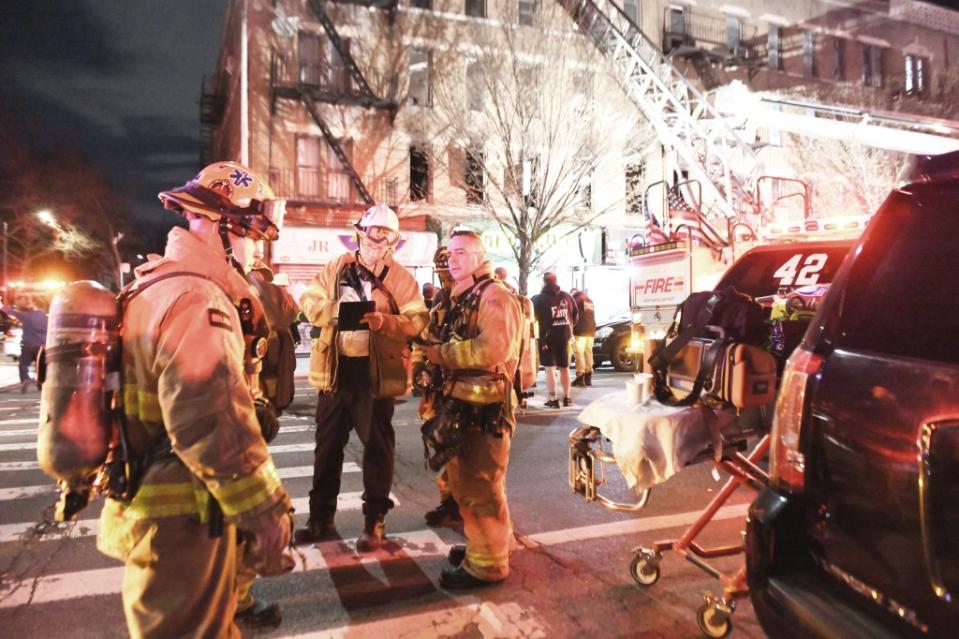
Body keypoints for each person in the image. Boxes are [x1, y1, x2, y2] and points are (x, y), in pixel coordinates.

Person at [95, 161, 294, 638]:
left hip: (161, 508)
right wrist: (266, 513)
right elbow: (211, 423)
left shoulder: (158, 283)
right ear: (223, 226)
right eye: (251, 233)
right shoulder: (197, 298)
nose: (253, 248)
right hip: (181, 519)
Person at [295, 204, 428, 551]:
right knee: (326, 450)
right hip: (337, 373)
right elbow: (309, 299)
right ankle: (320, 518)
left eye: (386, 237)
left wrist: (388, 324)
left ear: (393, 243)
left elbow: (417, 319)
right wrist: (334, 313)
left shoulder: (401, 278)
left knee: (377, 450)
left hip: (375, 373)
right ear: (360, 233)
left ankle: (374, 523)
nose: (377, 242)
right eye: (372, 233)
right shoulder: (336, 267)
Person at [421, 228, 522, 590]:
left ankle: (488, 566)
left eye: (462, 252)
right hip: (463, 406)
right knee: (467, 485)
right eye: (450, 252)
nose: (453, 258)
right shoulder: (460, 296)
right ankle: (486, 548)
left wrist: (441, 355)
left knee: (480, 486)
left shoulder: (494, 296)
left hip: (485, 410)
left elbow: (491, 350)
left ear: (481, 257)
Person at [234, 241, 300, 628]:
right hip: (217, 441)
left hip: (240, 422)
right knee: (244, 522)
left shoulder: (233, 288)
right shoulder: (204, 290)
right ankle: (227, 607)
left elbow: (285, 313)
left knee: (237, 528)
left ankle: (238, 602)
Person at [416, 246, 463, 529]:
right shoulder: (439, 305)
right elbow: (424, 343)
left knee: (467, 456)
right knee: (443, 449)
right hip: (441, 390)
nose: (447, 283)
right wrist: (422, 380)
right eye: (443, 277)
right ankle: (450, 502)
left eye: (450, 277)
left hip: (468, 389)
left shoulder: (482, 301)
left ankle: (464, 506)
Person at [531, 272, 578, 408]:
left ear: (544, 282)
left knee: (550, 369)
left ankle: (553, 399)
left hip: (547, 339)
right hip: (564, 337)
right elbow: (575, 316)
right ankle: (568, 398)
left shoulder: (538, 299)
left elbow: (532, 319)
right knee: (565, 367)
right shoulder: (567, 296)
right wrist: (567, 328)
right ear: (556, 281)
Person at [0, 296, 48, 393]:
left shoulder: (26, 316)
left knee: (24, 364)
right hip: (41, 345)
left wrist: (1, 304)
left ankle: (25, 379)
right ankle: (41, 384)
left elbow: (11, 312)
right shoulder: (46, 318)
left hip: (27, 344)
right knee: (40, 366)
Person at [571, 290, 596, 387]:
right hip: (590, 331)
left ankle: (580, 376)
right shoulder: (589, 301)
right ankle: (588, 376)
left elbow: (572, 316)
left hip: (580, 331)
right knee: (588, 352)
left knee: (579, 353)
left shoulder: (575, 300)